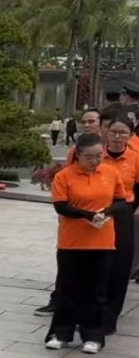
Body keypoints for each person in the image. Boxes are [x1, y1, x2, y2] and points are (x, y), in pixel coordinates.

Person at [47, 131, 123, 353]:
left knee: (97, 290)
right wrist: (88, 215)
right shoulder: (64, 176)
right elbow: (61, 206)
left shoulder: (110, 173)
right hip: (72, 242)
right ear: (77, 155)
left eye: (99, 155)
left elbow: (121, 201)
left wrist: (106, 212)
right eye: (89, 157)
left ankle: (93, 335)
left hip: (102, 242)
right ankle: (62, 333)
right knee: (68, 289)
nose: (95, 161)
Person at [35, 108, 104, 316]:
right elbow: (67, 174)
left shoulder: (108, 147)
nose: (88, 125)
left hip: (104, 216)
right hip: (76, 214)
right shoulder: (76, 148)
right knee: (67, 261)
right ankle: (59, 300)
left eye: (92, 121)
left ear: (101, 123)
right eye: (85, 121)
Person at [100, 111, 138, 336]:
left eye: (123, 133)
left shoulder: (135, 158)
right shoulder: (96, 155)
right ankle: (90, 313)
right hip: (97, 213)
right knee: (95, 265)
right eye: (113, 131)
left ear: (131, 135)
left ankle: (110, 318)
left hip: (123, 214)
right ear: (106, 132)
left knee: (120, 266)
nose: (117, 136)